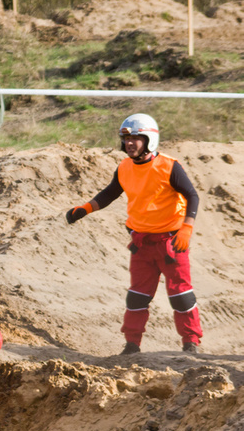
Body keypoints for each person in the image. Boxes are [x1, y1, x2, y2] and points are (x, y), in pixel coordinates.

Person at [65, 113, 203, 355]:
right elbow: (109, 194)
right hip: (142, 243)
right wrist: (85, 208)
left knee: (181, 296)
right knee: (137, 297)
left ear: (149, 140)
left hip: (172, 242)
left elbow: (192, 195)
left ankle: (191, 344)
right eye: (126, 139)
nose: (130, 143)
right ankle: (131, 345)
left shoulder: (170, 166)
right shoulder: (124, 167)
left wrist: (187, 227)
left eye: (136, 139)